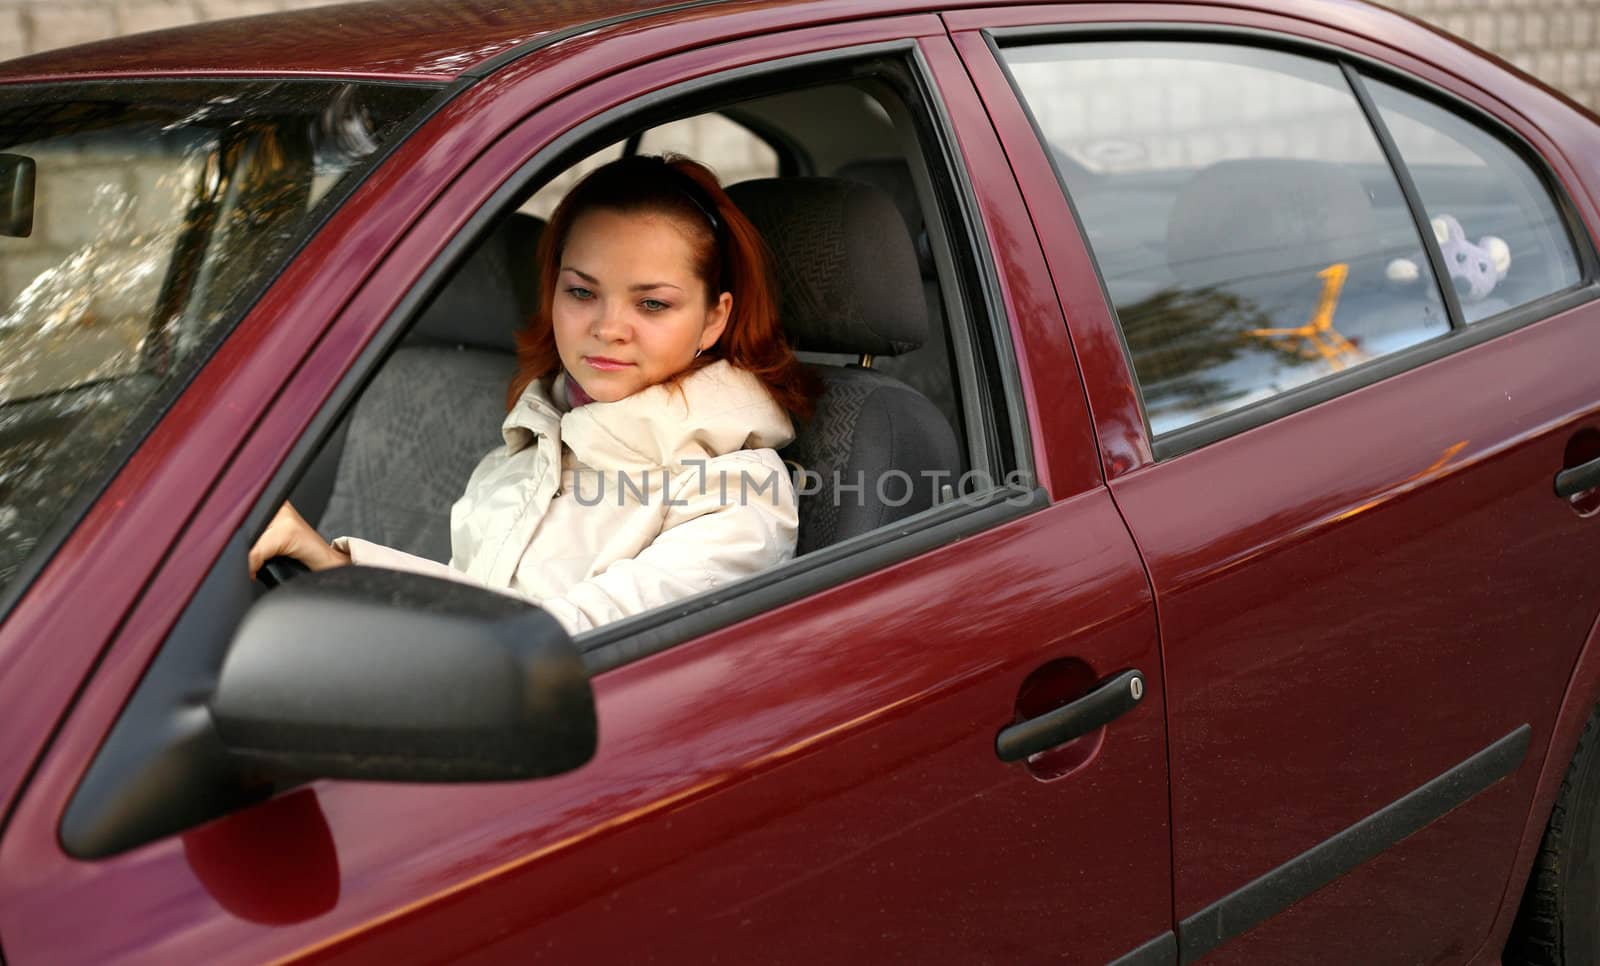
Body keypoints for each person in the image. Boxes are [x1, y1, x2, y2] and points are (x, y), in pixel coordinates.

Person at [248, 154, 814, 634]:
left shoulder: (739, 497)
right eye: (581, 292)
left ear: (714, 320)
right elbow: (477, 604)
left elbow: (544, 648)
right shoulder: (529, 450)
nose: (608, 327)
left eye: (653, 303)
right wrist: (330, 565)